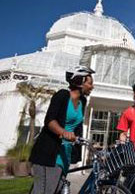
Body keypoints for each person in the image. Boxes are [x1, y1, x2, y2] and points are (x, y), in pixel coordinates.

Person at [29, 65, 95, 194]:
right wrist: (64, 133)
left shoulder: (83, 101)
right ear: (80, 83)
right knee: (44, 190)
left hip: (66, 153)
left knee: (57, 189)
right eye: (90, 83)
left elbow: (77, 126)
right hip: (49, 152)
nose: (92, 86)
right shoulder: (62, 95)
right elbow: (50, 121)